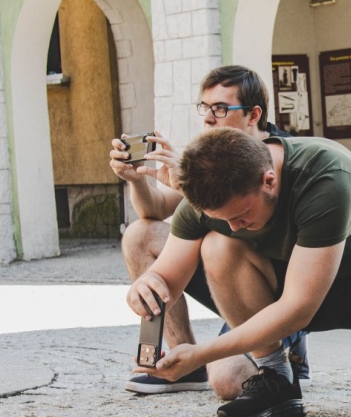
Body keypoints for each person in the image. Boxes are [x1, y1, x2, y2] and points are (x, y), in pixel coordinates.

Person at [126, 127, 351, 417]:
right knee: (218, 245)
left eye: (241, 215)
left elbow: (298, 309)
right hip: (289, 279)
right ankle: (276, 377)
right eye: (223, 219)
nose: (235, 226)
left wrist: (201, 354)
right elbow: (167, 277)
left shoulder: (326, 173)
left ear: (268, 181)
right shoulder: (208, 201)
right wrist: (147, 287)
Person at [110, 65, 311, 394]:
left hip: (276, 287)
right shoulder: (210, 155)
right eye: (205, 108)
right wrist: (136, 180)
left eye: (220, 109)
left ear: (253, 114)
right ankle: (185, 361)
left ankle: (289, 348)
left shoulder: (285, 157)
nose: (207, 118)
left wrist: (190, 189)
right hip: (225, 275)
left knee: (232, 380)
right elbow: (155, 209)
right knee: (139, 234)